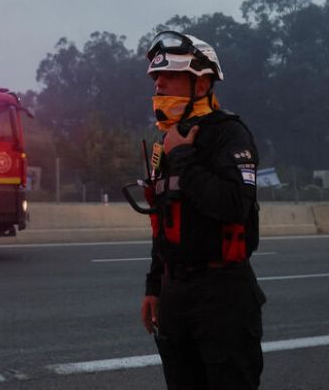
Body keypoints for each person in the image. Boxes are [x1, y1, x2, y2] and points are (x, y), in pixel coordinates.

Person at [140, 30, 265, 389]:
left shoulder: (229, 134)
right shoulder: (167, 141)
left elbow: (234, 205)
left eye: (170, 76)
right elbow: (163, 221)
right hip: (175, 295)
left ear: (202, 84)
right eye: (156, 77)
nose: (159, 84)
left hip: (223, 294)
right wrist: (154, 286)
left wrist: (183, 158)